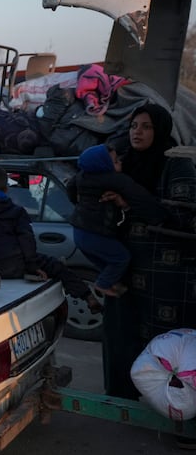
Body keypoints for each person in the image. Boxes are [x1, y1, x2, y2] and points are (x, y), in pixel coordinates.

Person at [100, 103, 196, 407]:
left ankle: (180, 412)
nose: (136, 132)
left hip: (168, 278)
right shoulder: (125, 163)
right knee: (123, 337)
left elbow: (182, 216)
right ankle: (127, 399)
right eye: (133, 126)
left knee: (170, 349)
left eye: (145, 126)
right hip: (128, 271)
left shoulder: (176, 164)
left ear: (161, 129)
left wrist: (130, 203)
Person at [0, 167, 101, 313]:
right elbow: (27, 241)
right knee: (58, 267)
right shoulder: (16, 211)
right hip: (15, 265)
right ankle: (88, 296)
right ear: (6, 189)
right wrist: (33, 266)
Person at [66, 144, 166, 297]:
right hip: (95, 233)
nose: (120, 162)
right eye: (115, 161)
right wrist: (160, 215)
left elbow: (70, 188)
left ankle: (112, 282)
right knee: (121, 258)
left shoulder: (81, 176)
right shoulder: (114, 179)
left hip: (79, 232)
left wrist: (78, 202)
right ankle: (103, 284)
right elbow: (139, 195)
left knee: (108, 264)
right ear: (103, 165)